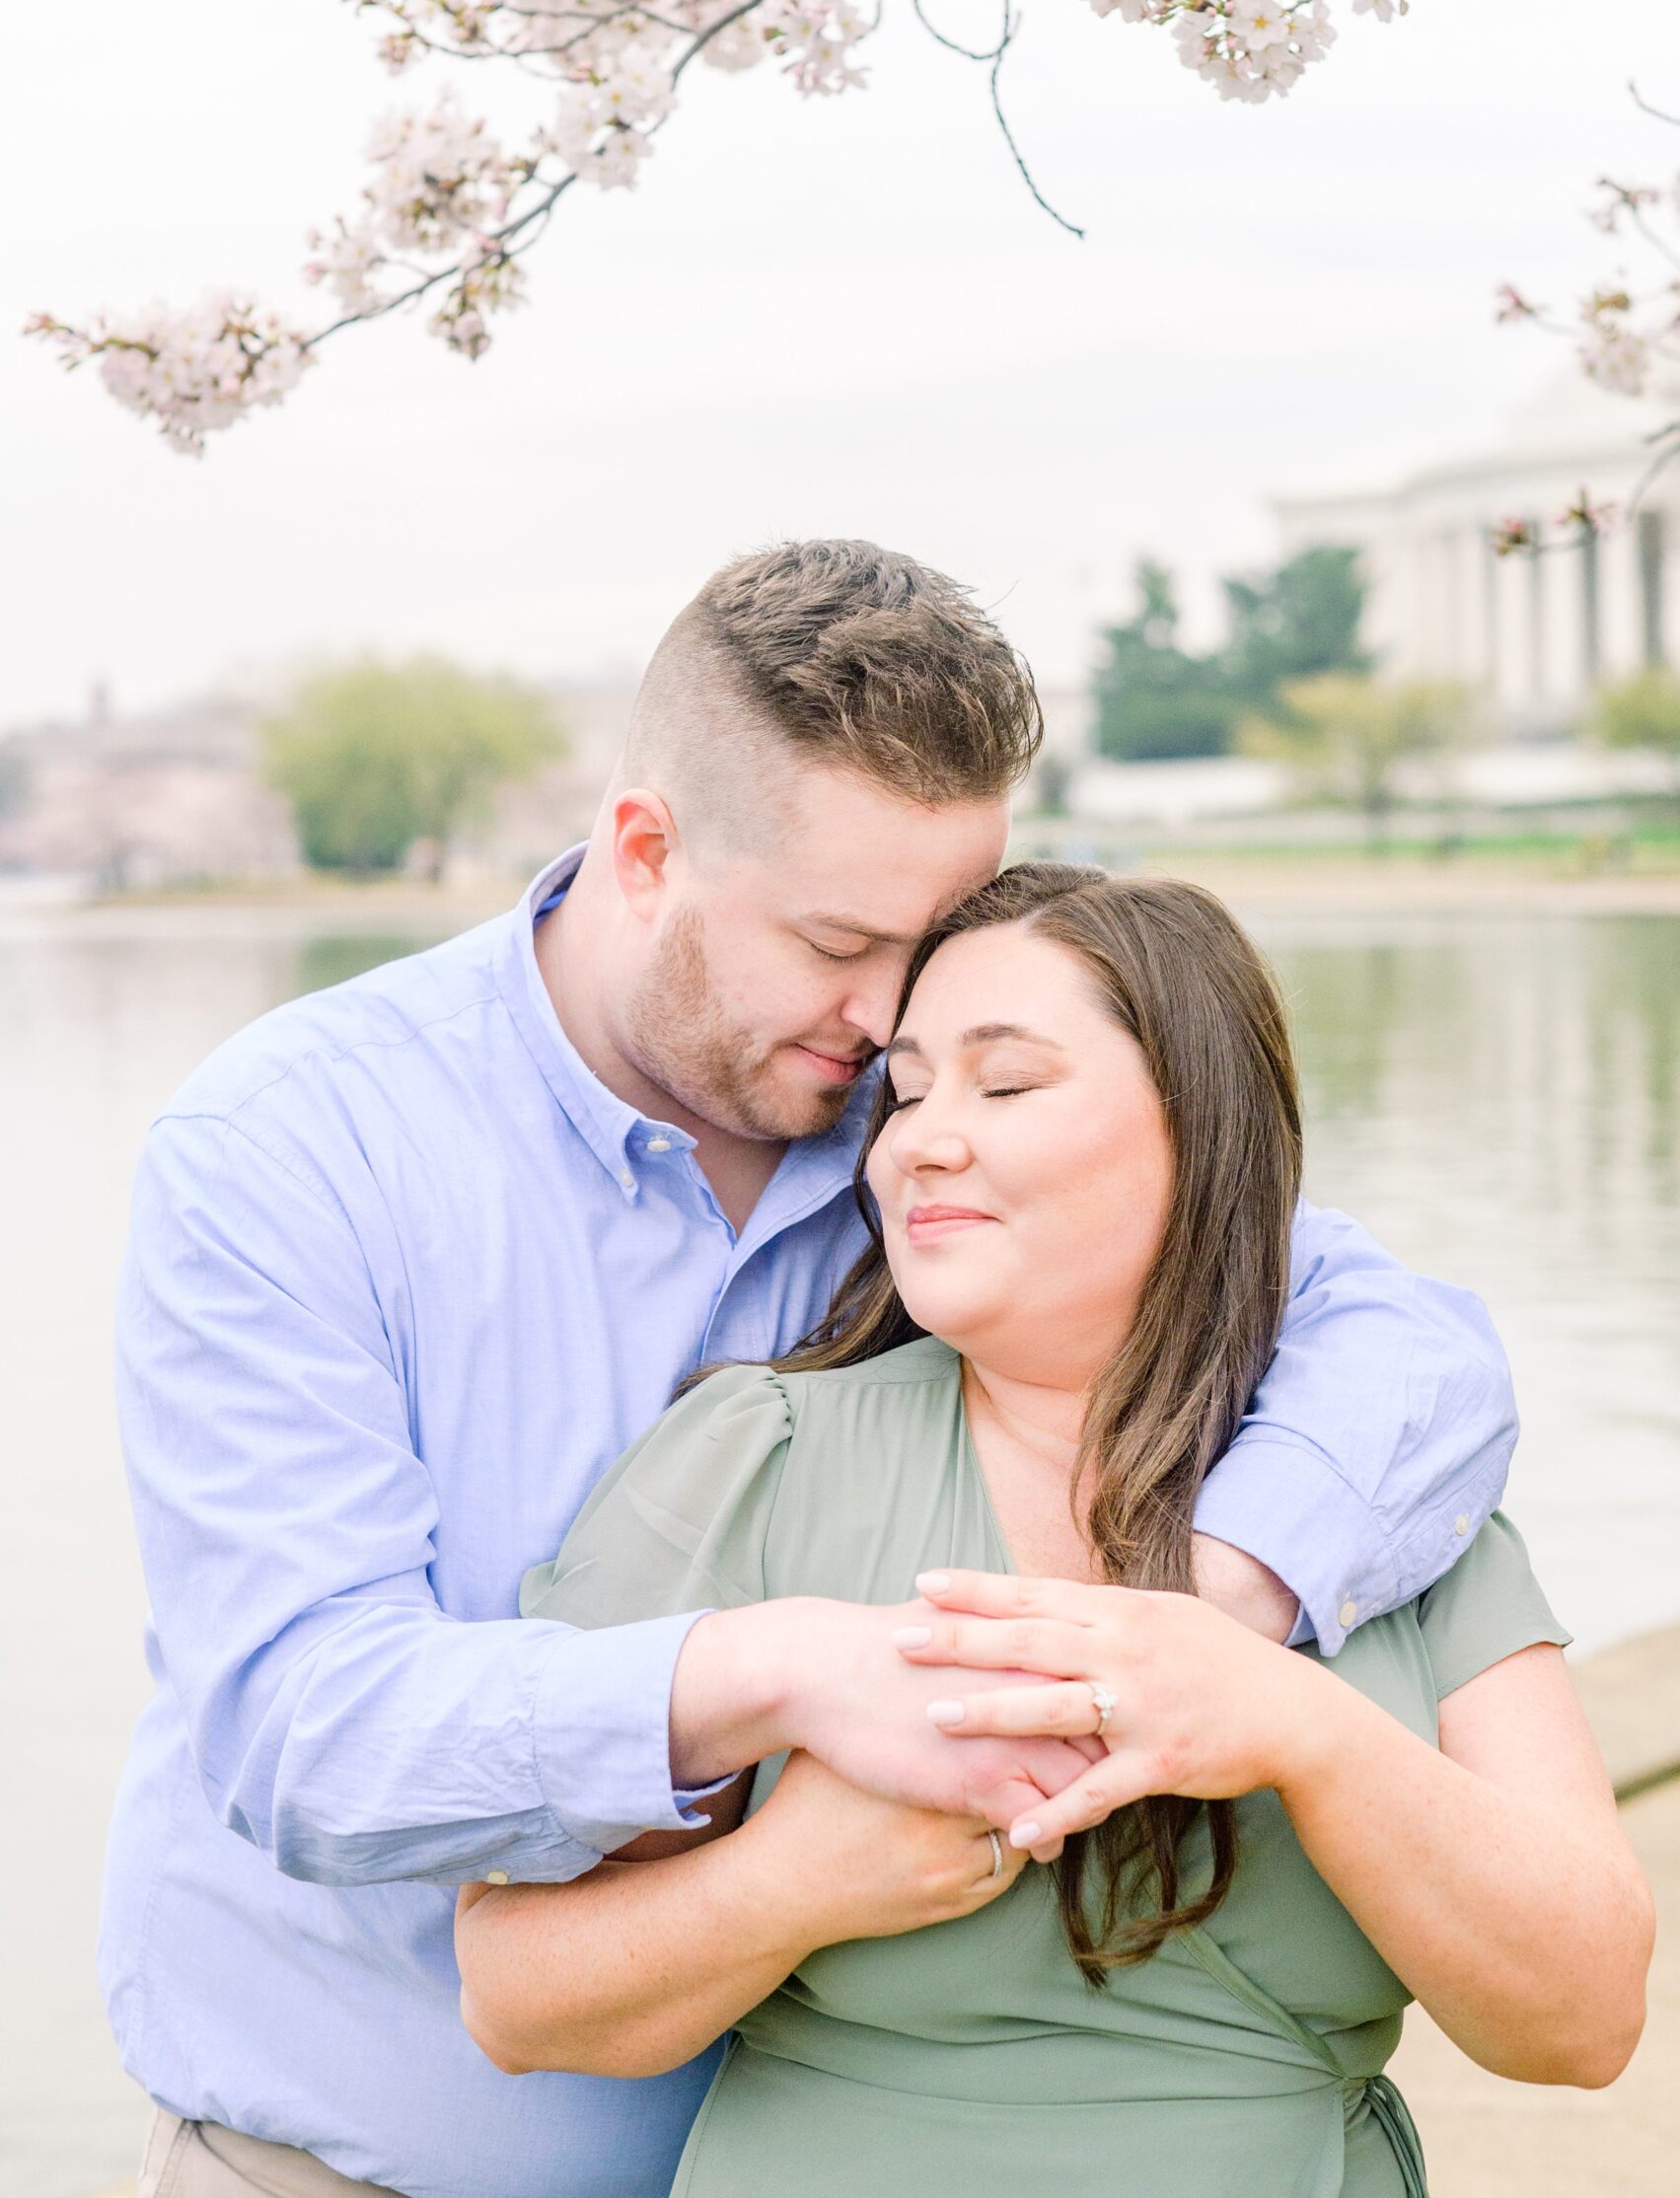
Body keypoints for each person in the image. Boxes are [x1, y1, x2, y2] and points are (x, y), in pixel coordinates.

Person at [110, 542, 1517, 2198]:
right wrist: (769, 1671)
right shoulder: (294, 1146)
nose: (888, 1016)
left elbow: (1401, 1341)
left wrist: (1218, 1604)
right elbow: (303, 1728)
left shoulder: (929, 1128)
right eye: (841, 939)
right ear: (644, 849)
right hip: (353, 2171)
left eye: (932, 940)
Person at [461, 867, 1653, 2196]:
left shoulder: (1388, 1507)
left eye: (1006, 1085)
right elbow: (516, 1995)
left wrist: (1308, 1738)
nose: (918, 1141)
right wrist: (788, 1882)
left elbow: (1586, 2021)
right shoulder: (760, 1463)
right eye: (904, 1093)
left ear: (1200, 1130)